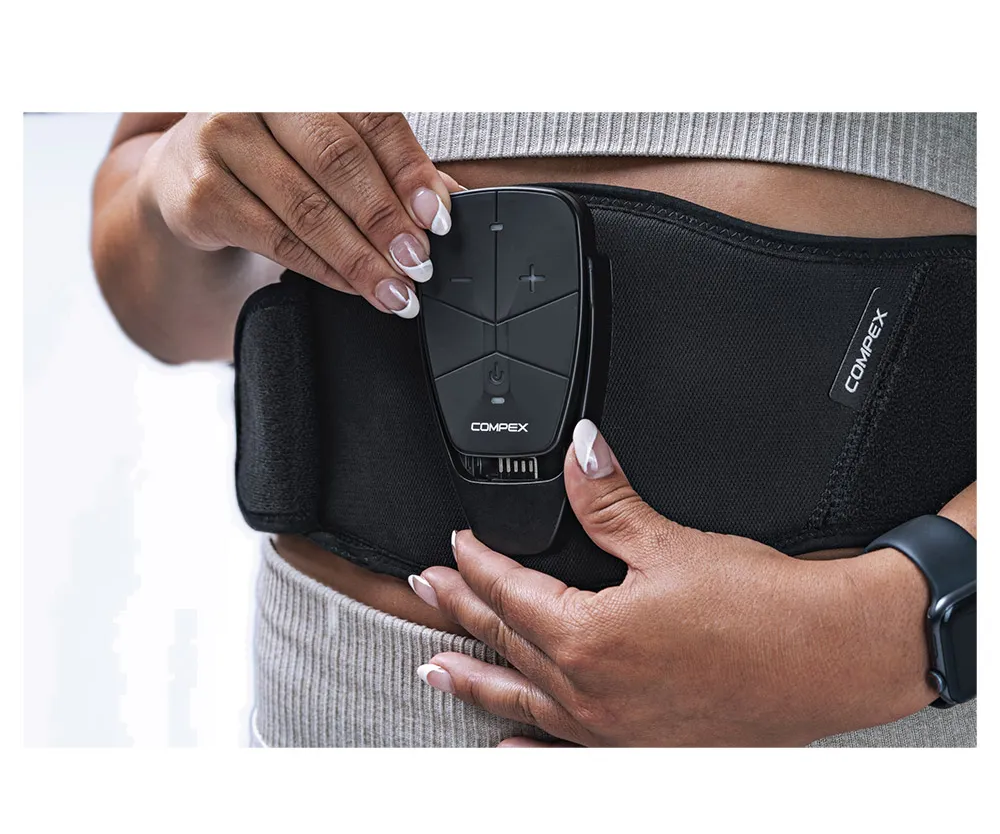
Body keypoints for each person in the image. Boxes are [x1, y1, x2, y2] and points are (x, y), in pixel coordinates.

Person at [91, 112, 976, 747]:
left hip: (833, 713)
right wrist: (177, 182)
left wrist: (882, 637)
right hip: (341, 697)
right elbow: (157, 294)